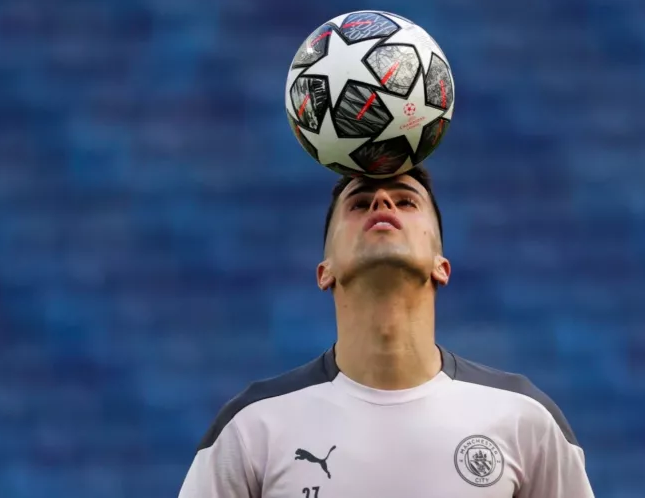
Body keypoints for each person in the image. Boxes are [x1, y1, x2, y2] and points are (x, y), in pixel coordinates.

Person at [178, 166, 594, 497]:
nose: (382, 201)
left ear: (441, 265)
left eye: (406, 201)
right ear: (326, 271)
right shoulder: (252, 427)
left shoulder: (524, 420)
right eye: (359, 203)